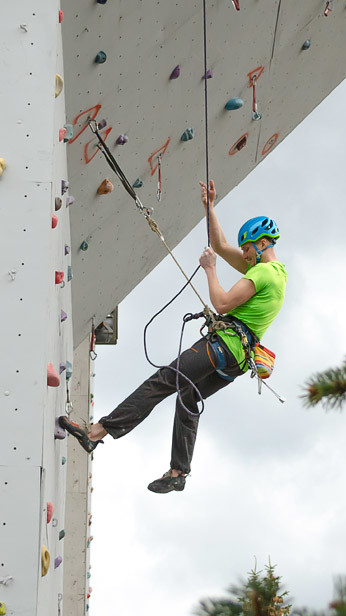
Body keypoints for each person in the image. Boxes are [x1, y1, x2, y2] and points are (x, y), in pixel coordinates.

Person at [59, 179, 287, 493]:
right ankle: (178, 472)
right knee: (188, 395)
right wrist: (209, 207)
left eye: (247, 249)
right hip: (237, 362)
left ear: (261, 243)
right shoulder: (276, 276)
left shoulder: (260, 272)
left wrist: (210, 269)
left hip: (224, 346)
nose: (245, 256)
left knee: (165, 379)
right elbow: (221, 246)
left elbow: (221, 302)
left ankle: (97, 432)